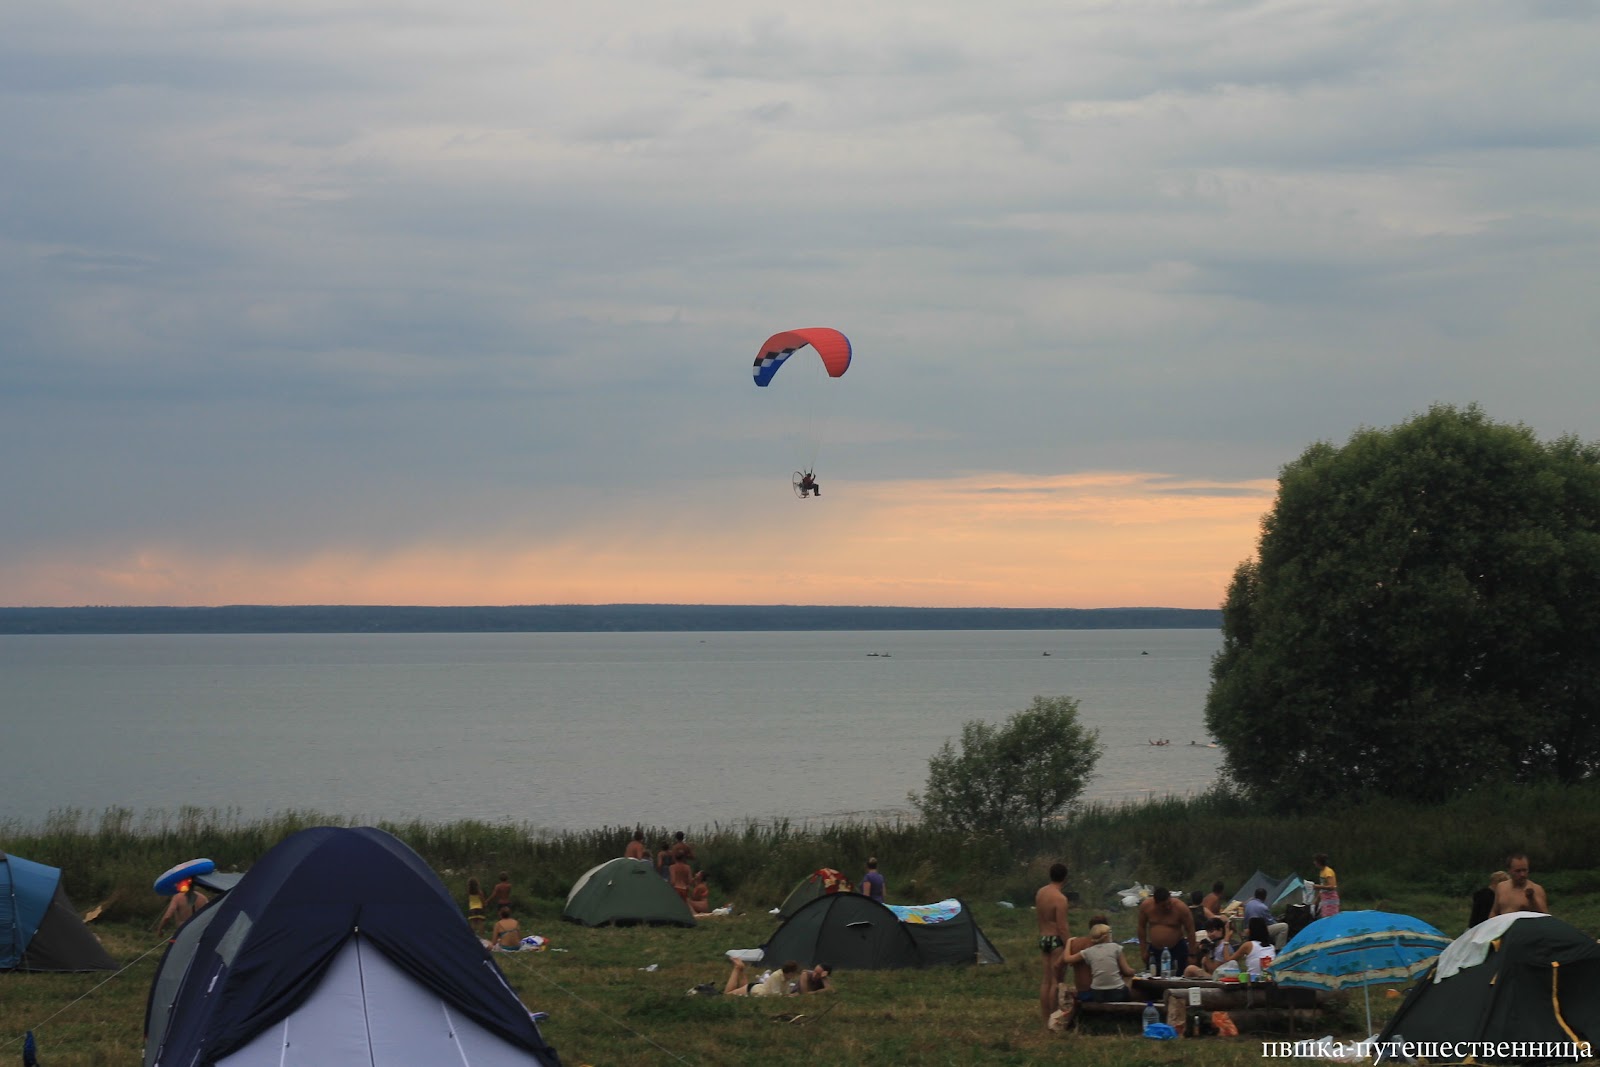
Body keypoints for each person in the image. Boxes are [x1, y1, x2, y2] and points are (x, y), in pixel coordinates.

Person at [1035, 861, 1071, 1030]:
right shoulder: (1060, 899)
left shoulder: (1041, 893)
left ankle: (1044, 1018)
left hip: (1043, 938)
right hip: (1056, 940)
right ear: (1065, 878)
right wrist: (1069, 944)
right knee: (1056, 981)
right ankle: (1053, 1018)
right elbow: (1062, 927)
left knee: (1046, 980)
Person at [1063, 923, 1137, 1002]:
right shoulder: (1115, 947)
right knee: (1128, 982)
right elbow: (1127, 971)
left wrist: (1069, 942)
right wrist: (1134, 972)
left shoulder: (1088, 952)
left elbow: (1067, 959)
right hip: (1117, 993)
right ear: (1106, 937)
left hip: (1097, 994)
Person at [1136, 886, 1197, 975]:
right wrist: (1143, 950)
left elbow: (1191, 930)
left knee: (1180, 976)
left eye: (1169, 903)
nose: (1168, 907)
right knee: (1153, 976)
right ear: (1156, 903)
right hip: (1155, 949)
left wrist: (1192, 954)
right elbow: (1141, 927)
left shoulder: (1181, 908)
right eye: (1163, 906)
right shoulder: (1146, 907)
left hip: (1177, 947)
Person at [721, 958, 831, 997]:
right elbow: (775, 995)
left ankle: (741, 969)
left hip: (758, 988)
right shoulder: (777, 976)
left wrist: (824, 979)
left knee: (741, 988)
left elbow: (832, 991)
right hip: (754, 990)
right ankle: (737, 968)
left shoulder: (786, 979)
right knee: (727, 995)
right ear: (789, 972)